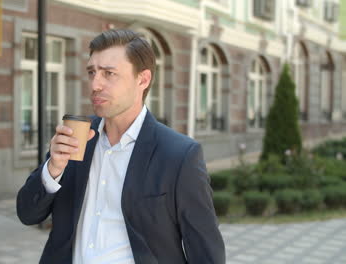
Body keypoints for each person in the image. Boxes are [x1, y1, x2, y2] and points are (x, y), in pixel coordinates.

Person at [17, 29, 225, 264]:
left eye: (109, 73)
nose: (95, 84)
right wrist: (53, 168)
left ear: (143, 79)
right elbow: (27, 214)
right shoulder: (77, 137)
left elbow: (207, 253)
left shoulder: (179, 155)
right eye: (92, 72)